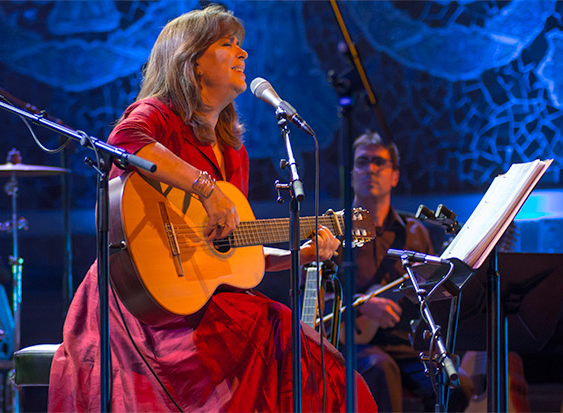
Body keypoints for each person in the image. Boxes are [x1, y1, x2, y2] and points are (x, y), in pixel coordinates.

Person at [48, 5, 377, 412]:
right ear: (193, 62)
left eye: (241, 46)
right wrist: (205, 188)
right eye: (228, 45)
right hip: (139, 307)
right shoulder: (160, 114)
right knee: (278, 334)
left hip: (199, 304)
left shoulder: (234, 152)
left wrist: (298, 255)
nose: (242, 54)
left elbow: (227, 252)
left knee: (322, 368)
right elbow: (125, 142)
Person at [342, 131, 473, 412]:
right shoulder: (335, 230)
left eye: (379, 162)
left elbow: (433, 296)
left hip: (406, 346)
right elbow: (316, 302)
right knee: (380, 369)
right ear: (352, 173)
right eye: (362, 162)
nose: (370, 169)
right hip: (354, 345)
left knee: (457, 385)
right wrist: (361, 307)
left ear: (394, 176)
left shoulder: (415, 232)